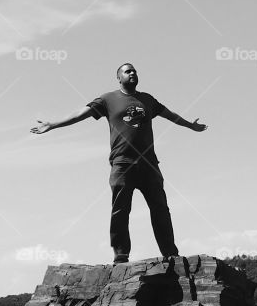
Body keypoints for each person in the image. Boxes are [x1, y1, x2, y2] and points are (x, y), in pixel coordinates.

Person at [31, 63, 207, 263]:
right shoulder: (108, 99)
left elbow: (170, 115)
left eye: (134, 71)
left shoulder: (147, 99)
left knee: (160, 208)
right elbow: (80, 114)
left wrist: (190, 125)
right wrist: (53, 124)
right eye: (127, 71)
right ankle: (121, 254)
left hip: (149, 164)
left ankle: (170, 253)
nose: (132, 73)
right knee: (121, 209)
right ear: (119, 77)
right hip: (122, 164)